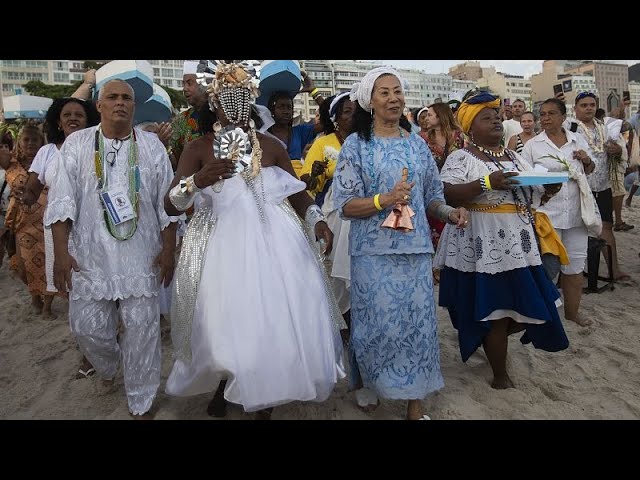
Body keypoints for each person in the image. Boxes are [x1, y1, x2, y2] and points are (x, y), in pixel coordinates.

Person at [164, 60, 345, 420]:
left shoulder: (272, 145)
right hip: (220, 247)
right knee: (222, 322)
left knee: (272, 318)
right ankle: (226, 383)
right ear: (212, 103)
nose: (233, 103)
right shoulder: (198, 147)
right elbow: (170, 203)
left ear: (251, 99)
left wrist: (317, 220)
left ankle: (266, 396)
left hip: (277, 245)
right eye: (225, 96)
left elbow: (297, 195)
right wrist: (197, 181)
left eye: (241, 95)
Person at [333, 67, 468, 420]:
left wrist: (450, 212)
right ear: (370, 102)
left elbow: (432, 197)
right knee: (376, 324)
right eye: (384, 92)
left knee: (418, 325)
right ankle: (369, 383)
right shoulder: (355, 146)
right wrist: (384, 200)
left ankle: (414, 403)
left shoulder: (416, 145)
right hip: (372, 253)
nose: (394, 98)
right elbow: (345, 204)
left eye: (397, 91)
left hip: (415, 251)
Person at [45, 79, 180, 418]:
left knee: (143, 332)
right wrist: (61, 254)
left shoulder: (151, 147)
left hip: (141, 255)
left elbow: (166, 205)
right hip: (90, 257)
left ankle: (142, 400)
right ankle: (108, 366)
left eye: (126, 98)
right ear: (100, 105)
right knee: (86, 328)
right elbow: (62, 202)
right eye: (112, 97)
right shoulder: (76, 144)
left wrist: (168, 250)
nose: (120, 103)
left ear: (134, 107)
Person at [435, 90, 569, 389]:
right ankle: (500, 375)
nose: (496, 120)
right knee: (497, 308)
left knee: (525, 305)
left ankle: (486, 336)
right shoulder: (462, 156)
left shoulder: (515, 156)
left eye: (497, 116)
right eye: (487, 117)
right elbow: (447, 193)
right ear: (470, 128)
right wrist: (486, 182)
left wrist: (549, 188)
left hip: (519, 244)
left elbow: (531, 193)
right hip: (481, 244)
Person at [521, 98, 596, 327]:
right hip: (547, 216)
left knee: (575, 266)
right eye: (542, 114)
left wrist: (586, 160)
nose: (545, 118)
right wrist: (542, 187)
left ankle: (573, 313)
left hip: (576, 214)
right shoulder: (533, 145)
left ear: (563, 116)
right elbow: (524, 179)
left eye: (551, 113)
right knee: (547, 268)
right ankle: (545, 316)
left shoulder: (577, 140)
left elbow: (591, 170)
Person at [567, 92, 630, 281]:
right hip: (579, 186)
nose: (588, 108)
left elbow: (621, 150)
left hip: (602, 185)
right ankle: (570, 273)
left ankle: (614, 270)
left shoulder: (605, 126)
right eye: (584, 105)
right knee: (574, 229)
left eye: (592, 105)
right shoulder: (569, 127)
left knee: (606, 227)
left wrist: (618, 150)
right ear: (575, 108)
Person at [0, 125, 49, 314]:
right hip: (22, 224)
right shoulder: (11, 163)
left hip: (46, 222)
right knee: (23, 268)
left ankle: (47, 306)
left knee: (48, 266)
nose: (30, 143)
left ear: (41, 142)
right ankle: (35, 295)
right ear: (19, 142)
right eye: (26, 139)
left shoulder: (48, 161)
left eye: (34, 140)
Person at [267, 70, 324, 178]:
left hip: (298, 186)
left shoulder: (299, 132)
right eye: (281, 107)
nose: (286, 111)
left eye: (289, 107)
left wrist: (314, 92)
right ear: (272, 110)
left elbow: (330, 120)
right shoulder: (264, 134)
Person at [170, 61, 209, 166]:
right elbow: (174, 162)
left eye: (189, 83)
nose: (184, 88)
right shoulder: (181, 120)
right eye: (183, 84)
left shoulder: (222, 114)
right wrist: (164, 145)